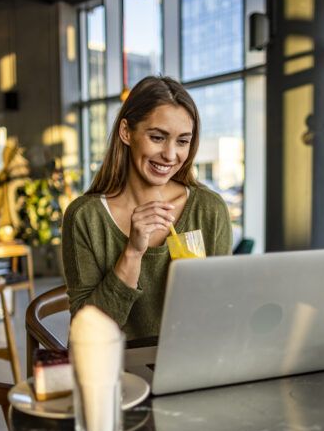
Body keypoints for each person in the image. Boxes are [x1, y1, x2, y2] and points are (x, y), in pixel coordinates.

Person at [62, 75, 232, 340]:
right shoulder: (85, 217)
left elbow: (224, 308)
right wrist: (132, 251)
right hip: (119, 371)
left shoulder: (209, 209)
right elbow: (87, 332)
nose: (170, 154)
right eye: (157, 137)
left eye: (182, 141)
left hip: (194, 365)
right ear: (126, 132)